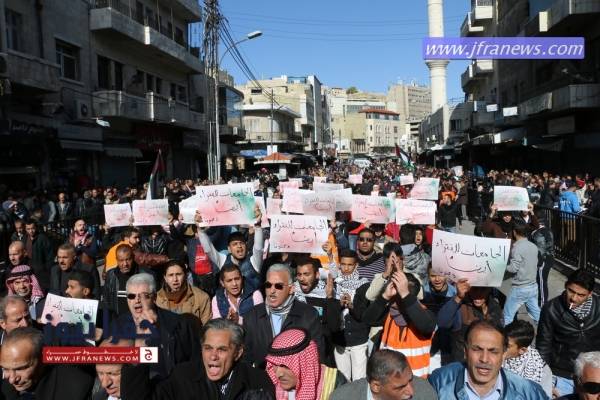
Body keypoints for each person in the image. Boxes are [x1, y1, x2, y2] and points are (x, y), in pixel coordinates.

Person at [120, 318, 275, 400]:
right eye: (208, 348)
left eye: (222, 349)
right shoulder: (183, 376)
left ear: (238, 352)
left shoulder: (257, 381)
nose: (213, 356)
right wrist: (139, 351)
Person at [428, 320, 547, 400]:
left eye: (493, 351)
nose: (484, 359)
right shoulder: (440, 381)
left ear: (504, 354)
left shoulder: (529, 393)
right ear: (465, 351)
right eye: (477, 349)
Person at [243, 263, 324, 369]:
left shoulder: (309, 315)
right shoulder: (252, 316)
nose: (272, 290)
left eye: (279, 286)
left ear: (291, 289)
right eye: (268, 285)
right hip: (262, 377)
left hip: (295, 377)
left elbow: (316, 356)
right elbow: (246, 357)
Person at [536, 269, 600, 398]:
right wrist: (546, 380)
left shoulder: (598, 307)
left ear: (590, 294)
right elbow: (543, 347)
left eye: (581, 295)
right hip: (562, 376)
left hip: (593, 377)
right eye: (571, 291)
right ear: (566, 286)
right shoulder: (551, 309)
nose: (573, 298)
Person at [364, 270, 436, 378]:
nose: (393, 295)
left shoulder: (425, 314)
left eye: (397, 292)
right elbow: (367, 319)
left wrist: (405, 294)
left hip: (414, 382)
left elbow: (426, 326)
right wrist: (384, 296)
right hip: (387, 379)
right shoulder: (390, 314)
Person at [0, 327, 95, 399]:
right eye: (5, 369)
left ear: (42, 358)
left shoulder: (76, 389)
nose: (12, 380)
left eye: (20, 369)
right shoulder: (4, 390)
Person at [265, 328, 346, 400]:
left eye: (285, 366)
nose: (278, 374)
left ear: (305, 363)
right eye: (275, 365)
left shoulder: (334, 382)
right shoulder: (273, 387)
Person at [437, 279, 504, 363]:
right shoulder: (461, 306)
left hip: (486, 360)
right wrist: (458, 297)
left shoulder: (494, 306)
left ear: (489, 289)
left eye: (483, 289)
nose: (478, 294)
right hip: (462, 361)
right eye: (474, 289)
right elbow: (442, 322)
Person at [196, 208, 264, 290]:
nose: (239, 246)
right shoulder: (223, 261)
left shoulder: (254, 261)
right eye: (235, 244)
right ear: (229, 249)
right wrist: (201, 230)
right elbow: (208, 250)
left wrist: (258, 226)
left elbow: (258, 248)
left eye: (241, 243)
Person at [330, 349, 437, 400]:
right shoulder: (342, 397)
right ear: (376, 387)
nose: (411, 391)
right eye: (401, 387)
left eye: (410, 380)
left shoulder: (424, 392)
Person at [293, 254, 341, 367]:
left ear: (317, 275)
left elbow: (334, 327)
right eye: (299, 274)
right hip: (297, 357)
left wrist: (330, 298)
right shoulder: (292, 293)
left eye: (306, 274)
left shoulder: (327, 292)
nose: (302, 278)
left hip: (322, 358)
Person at [331, 249, 370, 382]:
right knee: (343, 382)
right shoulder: (334, 284)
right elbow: (330, 311)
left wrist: (351, 305)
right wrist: (339, 305)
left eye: (350, 265)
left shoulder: (364, 285)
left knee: (359, 382)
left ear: (356, 265)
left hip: (359, 341)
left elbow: (363, 315)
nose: (346, 268)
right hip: (340, 341)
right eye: (343, 264)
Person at [503, 224, 541, 325]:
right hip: (533, 286)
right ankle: (546, 330)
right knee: (537, 314)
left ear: (514, 232)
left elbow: (513, 268)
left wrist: (502, 265)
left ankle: (507, 334)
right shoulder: (533, 246)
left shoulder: (517, 248)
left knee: (507, 316)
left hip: (520, 288)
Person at [503, 320, 553, 397]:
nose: (501, 347)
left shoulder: (541, 369)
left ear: (522, 350)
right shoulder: (493, 358)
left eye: (507, 345)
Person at [102, 245, 152, 319]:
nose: (125, 264)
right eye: (121, 260)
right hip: (117, 321)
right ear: (117, 260)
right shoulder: (111, 275)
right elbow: (106, 301)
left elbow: (150, 301)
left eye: (128, 259)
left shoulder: (144, 275)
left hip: (139, 320)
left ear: (133, 257)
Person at [156, 261, 212, 325]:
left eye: (178, 274)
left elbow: (207, 327)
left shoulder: (202, 297)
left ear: (185, 276)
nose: (175, 279)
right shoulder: (156, 299)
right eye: (171, 275)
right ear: (165, 278)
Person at [530, 213, 554, 306]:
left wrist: (539, 262)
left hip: (543, 260)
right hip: (549, 258)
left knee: (541, 282)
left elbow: (541, 249)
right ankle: (542, 302)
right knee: (543, 281)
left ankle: (543, 304)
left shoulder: (538, 233)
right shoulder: (548, 230)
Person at [24, 219, 54, 290]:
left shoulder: (43, 238)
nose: (31, 231)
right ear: (25, 229)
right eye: (28, 229)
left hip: (42, 272)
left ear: (36, 228)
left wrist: (46, 269)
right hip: (30, 270)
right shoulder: (25, 239)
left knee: (43, 289)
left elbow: (49, 256)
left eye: (32, 228)